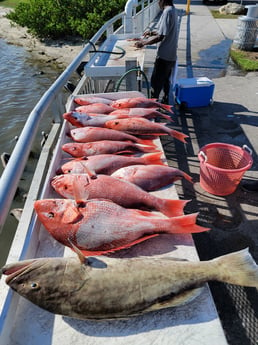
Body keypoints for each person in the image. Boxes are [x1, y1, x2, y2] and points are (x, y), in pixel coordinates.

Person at [135, 0, 178, 104]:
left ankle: (154, 105)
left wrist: (144, 43)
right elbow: (164, 30)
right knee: (166, 80)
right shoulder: (173, 10)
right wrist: (151, 32)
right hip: (171, 55)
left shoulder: (167, 12)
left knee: (156, 82)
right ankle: (165, 101)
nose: (158, 3)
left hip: (164, 55)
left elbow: (161, 36)